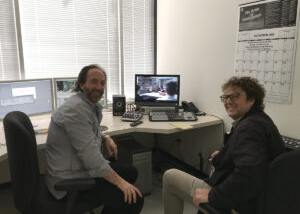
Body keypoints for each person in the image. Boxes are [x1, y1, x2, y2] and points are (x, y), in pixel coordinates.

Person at [163, 76, 285, 214]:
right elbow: (251, 157)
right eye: (225, 97)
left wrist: (213, 196)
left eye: (234, 96)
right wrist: (224, 155)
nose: (228, 101)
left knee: (170, 176)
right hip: (262, 197)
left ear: (251, 99)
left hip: (241, 202)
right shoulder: (258, 119)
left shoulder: (250, 127)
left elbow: (250, 174)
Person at [45, 64, 144, 214]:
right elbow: (90, 157)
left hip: (78, 167)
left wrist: (105, 138)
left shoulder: (85, 105)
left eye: (102, 83)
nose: (99, 87)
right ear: (81, 84)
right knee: (135, 199)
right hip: (69, 180)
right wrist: (122, 184)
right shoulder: (75, 110)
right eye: (94, 81)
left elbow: (87, 134)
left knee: (131, 172)